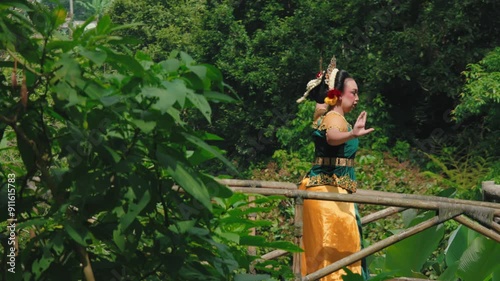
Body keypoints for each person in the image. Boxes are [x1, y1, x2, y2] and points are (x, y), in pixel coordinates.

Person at [296, 56, 374, 280]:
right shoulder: (334, 119)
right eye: (354, 92)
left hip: (327, 195)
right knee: (339, 260)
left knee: (326, 259)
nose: (357, 98)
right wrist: (351, 134)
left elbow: (320, 107)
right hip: (330, 199)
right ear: (338, 94)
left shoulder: (326, 113)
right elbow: (332, 137)